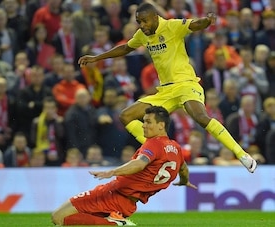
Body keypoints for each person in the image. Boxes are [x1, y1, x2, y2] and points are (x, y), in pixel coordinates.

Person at [78, 2, 257, 173]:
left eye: (144, 21)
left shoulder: (172, 26)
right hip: (165, 91)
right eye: (139, 22)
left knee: (201, 118)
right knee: (126, 116)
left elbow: (194, 25)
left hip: (186, 84)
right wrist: (96, 58)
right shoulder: (143, 34)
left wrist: (207, 21)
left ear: (155, 17)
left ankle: (242, 155)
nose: (142, 25)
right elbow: (126, 48)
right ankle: (160, 153)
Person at [52, 106, 196, 226]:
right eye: (143, 121)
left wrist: (112, 172)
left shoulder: (154, 143)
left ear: (161, 125)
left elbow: (140, 163)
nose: (143, 125)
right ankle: (114, 221)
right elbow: (183, 168)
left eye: (148, 122)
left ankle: (115, 224)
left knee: (58, 217)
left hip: (112, 194)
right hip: (128, 204)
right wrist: (184, 181)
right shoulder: (176, 148)